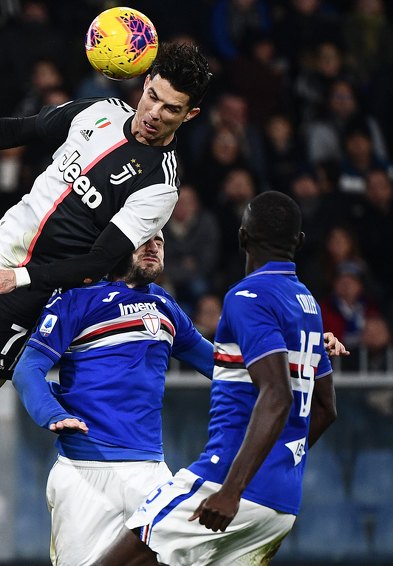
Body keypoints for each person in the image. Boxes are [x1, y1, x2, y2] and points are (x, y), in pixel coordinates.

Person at [0, 42, 212, 565]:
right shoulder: (99, 112)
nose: (154, 114)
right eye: (152, 96)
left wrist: (19, 279)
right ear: (144, 82)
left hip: (36, 287)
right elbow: (18, 129)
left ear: (189, 114)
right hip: (0, 245)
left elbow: (96, 263)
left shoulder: (161, 187)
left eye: (171, 109)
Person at [98, 191, 340, 566]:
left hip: (225, 482)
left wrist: (232, 490)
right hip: (281, 503)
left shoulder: (248, 296)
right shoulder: (307, 303)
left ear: (242, 237)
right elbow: (326, 409)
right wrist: (275, 463)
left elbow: (277, 395)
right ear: (301, 242)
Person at [12, 231, 215, 566]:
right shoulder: (77, 300)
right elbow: (27, 368)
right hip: (85, 472)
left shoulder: (166, 306)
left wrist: (295, 360)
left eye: (160, 242)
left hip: (152, 472)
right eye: (144, 239)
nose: (153, 247)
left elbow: (223, 365)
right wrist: (52, 414)